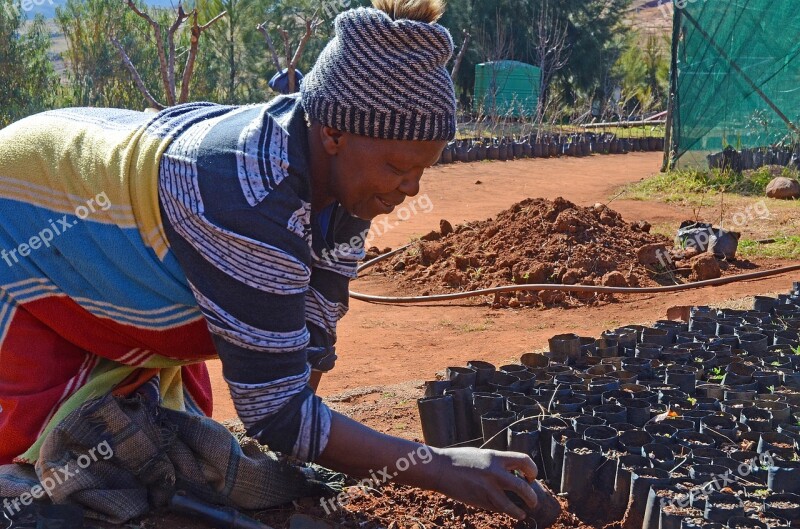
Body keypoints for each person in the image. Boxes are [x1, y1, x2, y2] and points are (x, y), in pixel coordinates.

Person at [0, 0, 539, 520]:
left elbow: (311, 335)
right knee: (42, 454)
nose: (411, 188)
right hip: (30, 206)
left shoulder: (347, 182)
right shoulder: (247, 198)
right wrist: (436, 466)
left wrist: (304, 449)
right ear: (333, 134)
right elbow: (275, 411)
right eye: (399, 166)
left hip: (110, 200)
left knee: (165, 429)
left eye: (424, 169)